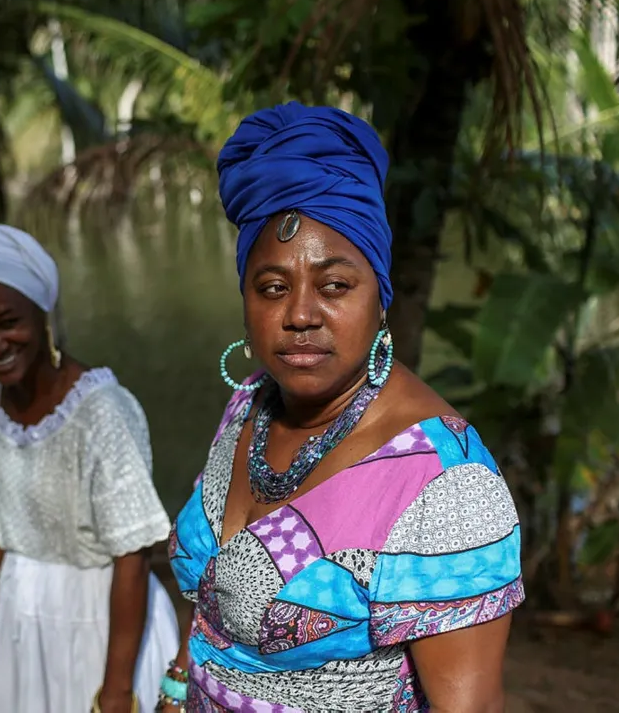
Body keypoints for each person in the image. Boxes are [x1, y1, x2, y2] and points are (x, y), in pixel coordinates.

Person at [162, 104, 524, 712]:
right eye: (272, 288)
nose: (300, 314)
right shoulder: (250, 405)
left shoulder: (445, 484)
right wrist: (176, 687)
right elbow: (210, 603)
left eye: (334, 286)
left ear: (380, 296)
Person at [0, 220, 180, 713]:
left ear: (43, 314)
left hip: (102, 621)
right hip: (21, 621)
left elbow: (132, 556)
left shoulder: (102, 411)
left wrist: (115, 690)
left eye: (9, 322)